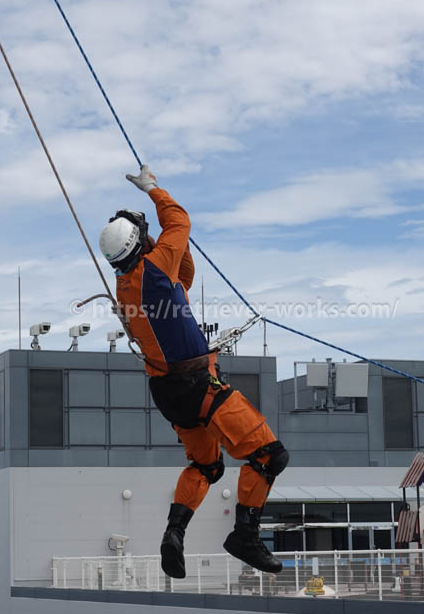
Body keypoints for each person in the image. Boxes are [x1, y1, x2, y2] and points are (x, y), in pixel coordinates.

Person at [98, 165, 289, 579]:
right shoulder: (153, 269)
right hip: (197, 383)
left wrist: (150, 239)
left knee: (207, 466)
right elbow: (180, 221)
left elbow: (183, 276)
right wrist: (153, 189)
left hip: (168, 393)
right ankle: (245, 534)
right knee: (269, 456)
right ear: (139, 245)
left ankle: (175, 532)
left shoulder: (128, 284)